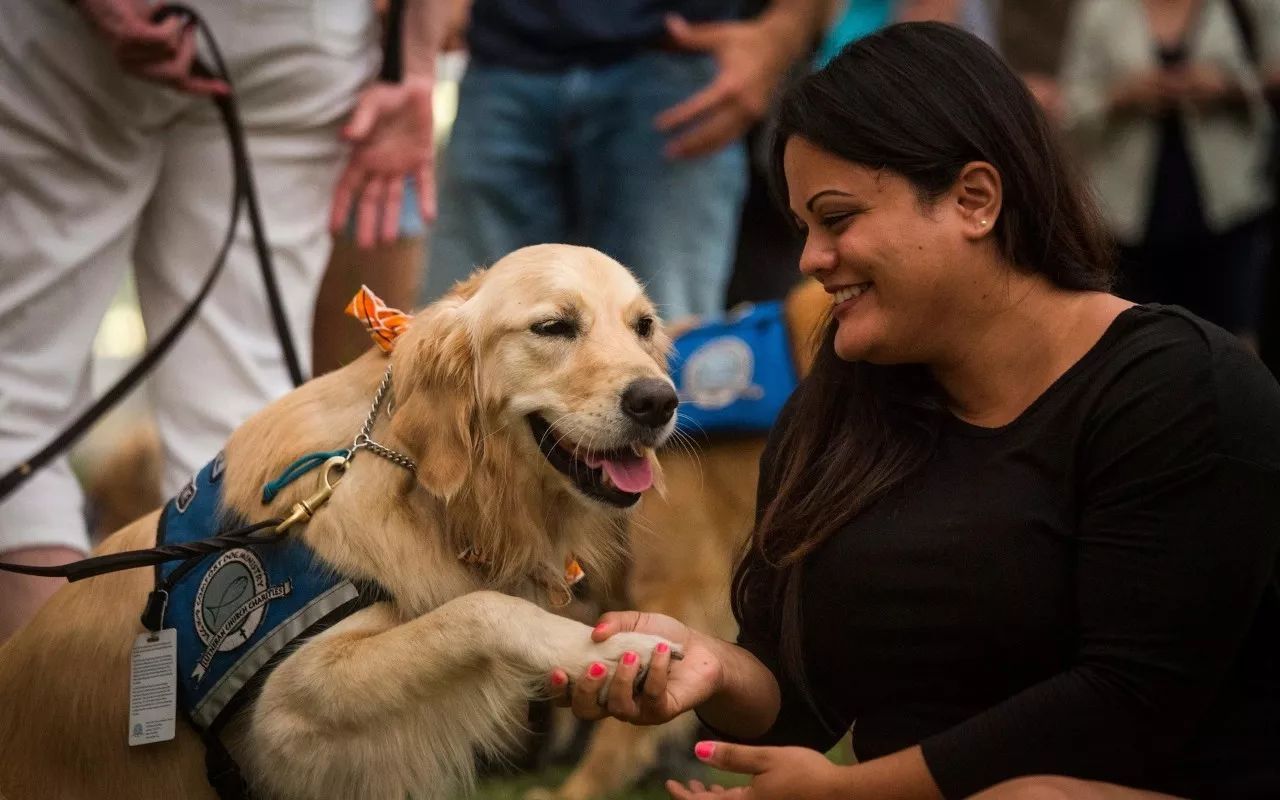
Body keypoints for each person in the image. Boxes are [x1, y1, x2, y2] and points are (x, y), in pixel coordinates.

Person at [543, 22, 1280, 800]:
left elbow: (1127, 705)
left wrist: (852, 793)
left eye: (838, 218)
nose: (810, 261)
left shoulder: (1182, 389)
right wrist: (710, 665)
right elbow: (798, 702)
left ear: (974, 200)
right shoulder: (839, 400)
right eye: (801, 229)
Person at [0, 0, 442, 642]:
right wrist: (416, 62)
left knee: (15, 406)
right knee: (241, 424)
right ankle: (193, 728)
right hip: (304, 40)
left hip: (81, 37)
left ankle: (58, 723)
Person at [422, 0, 829, 322]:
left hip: (680, 63)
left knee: (666, 342)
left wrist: (780, 34)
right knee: (456, 344)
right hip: (502, 59)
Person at [1060, 0, 1275, 350]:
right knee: (1141, 344)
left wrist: (1227, 87)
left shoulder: (1243, 7)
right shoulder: (1101, 10)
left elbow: (1271, 78)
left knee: (1236, 339)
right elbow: (1071, 104)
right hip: (1129, 217)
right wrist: (1122, 95)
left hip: (1229, 208)